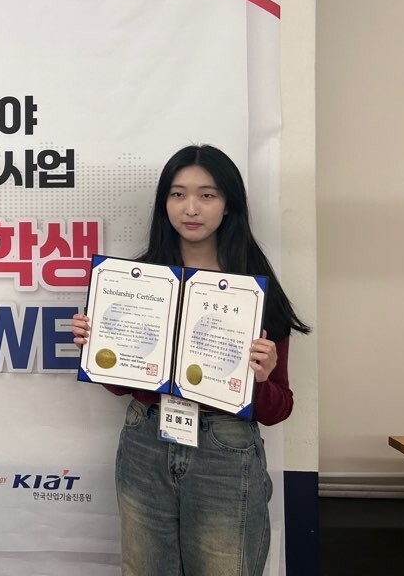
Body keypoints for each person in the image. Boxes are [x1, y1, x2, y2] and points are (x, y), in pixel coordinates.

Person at [72, 144, 310, 576]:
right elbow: (122, 385)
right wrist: (98, 349)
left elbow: (279, 409)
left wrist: (262, 378)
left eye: (207, 195)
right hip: (145, 441)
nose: (191, 208)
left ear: (228, 204)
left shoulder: (253, 290)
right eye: (178, 194)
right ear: (164, 203)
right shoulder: (136, 282)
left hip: (225, 451)